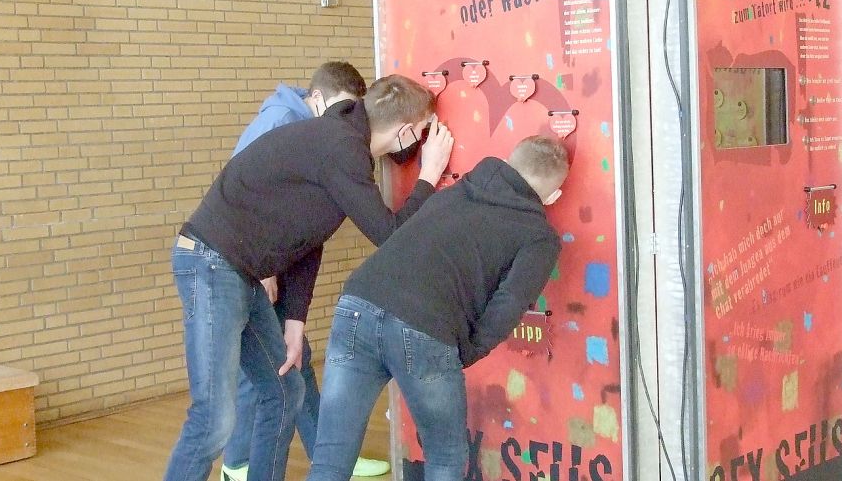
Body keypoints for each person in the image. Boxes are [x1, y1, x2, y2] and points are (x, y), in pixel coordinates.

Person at [163, 74, 454, 481]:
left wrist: (294, 320)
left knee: (285, 393)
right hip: (211, 263)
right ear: (405, 130)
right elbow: (390, 236)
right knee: (213, 418)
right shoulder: (341, 148)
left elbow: (306, 237)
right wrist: (429, 176)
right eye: (423, 132)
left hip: (238, 272)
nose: (421, 142)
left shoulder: (340, 142)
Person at [307, 135, 570, 481]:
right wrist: (467, 352)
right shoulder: (538, 236)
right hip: (425, 328)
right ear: (552, 196)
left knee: (331, 454)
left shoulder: (455, 193)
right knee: (446, 456)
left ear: (507, 163)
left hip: (358, 303)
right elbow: (509, 305)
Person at [220, 63, 390, 481]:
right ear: (319, 98)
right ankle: (237, 462)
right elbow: (247, 192)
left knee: (292, 359)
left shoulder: (314, 128)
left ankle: (329, 457)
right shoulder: (283, 120)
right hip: (247, 261)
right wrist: (261, 267)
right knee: (266, 364)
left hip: (269, 258)